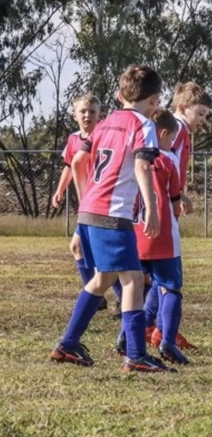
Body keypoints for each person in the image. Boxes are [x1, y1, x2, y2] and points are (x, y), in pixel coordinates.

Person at [50, 64, 174, 372]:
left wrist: (86, 199)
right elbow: (143, 167)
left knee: (102, 278)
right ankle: (135, 353)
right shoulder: (142, 124)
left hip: (91, 209)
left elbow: (79, 161)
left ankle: (68, 343)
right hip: (112, 212)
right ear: (154, 100)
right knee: (132, 278)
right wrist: (152, 207)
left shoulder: (104, 124)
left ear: (120, 95)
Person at [116, 107, 189, 365]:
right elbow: (175, 200)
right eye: (170, 138)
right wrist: (182, 204)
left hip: (134, 233)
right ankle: (167, 341)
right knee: (171, 288)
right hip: (161, 236)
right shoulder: (168, 159)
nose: (171, 144)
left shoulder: (129, 160)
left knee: (134, 288)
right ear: (163, 133)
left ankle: (125, 337)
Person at [144, 81, 210, 350]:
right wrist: (177, 196)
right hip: (164, 206)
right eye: (201, 114)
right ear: (182, 108)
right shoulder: (179, 129)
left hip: (167, 204)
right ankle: (157, 328)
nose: (203, 121)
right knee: (166, 276)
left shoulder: (181, 131)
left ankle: (153, 326)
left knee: (161, 275)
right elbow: (163, 164)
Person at [52, 94, 123, 313]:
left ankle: (106, 296)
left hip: (100, 204)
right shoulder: (74, 139)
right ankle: (100, 295)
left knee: (95, 252)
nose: (87, 115)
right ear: (75, 115)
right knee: (81, 248)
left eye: (92, 112)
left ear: (99, 115)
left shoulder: (104, 135)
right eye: (82, 111)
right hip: (87, 204)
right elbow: (69, 165)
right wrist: (60, 189)